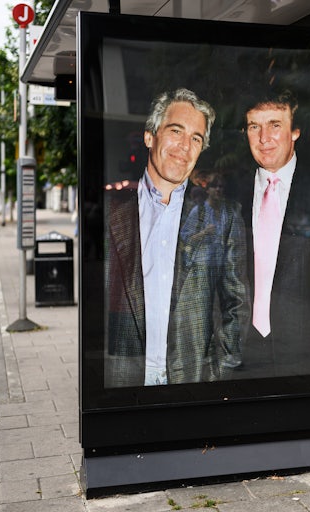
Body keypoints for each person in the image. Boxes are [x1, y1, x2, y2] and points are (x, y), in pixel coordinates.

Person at [105, 88, 249, 387]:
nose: (185, 146)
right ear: (150, 136)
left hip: (192, 381)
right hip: (124, 379)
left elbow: (236, 305)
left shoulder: (222, 217)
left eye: (196, 138)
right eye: (175, 131)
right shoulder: (112, 212)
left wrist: (218, 372)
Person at [237, 88, 310, 378]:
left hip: (302, 350)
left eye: (275, 125)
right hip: (240, 349)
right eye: (254, 127)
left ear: (295, 131)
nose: (263, 139)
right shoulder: (231, 193)